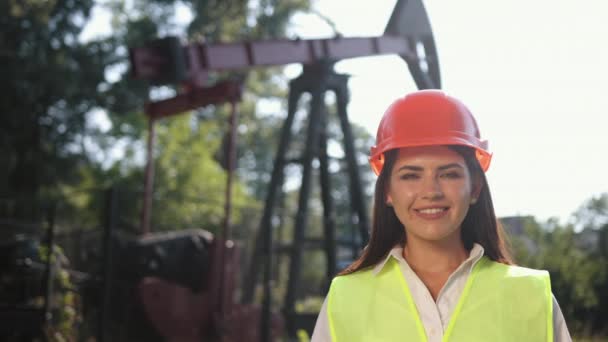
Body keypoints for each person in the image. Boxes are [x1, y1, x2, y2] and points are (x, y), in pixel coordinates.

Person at [311, 90, 572, 342]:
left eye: (449, 174)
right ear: (388, 192)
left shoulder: (531, 295)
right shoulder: (346, 299)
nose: (431, 192)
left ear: (475, 188)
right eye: (411, 175)